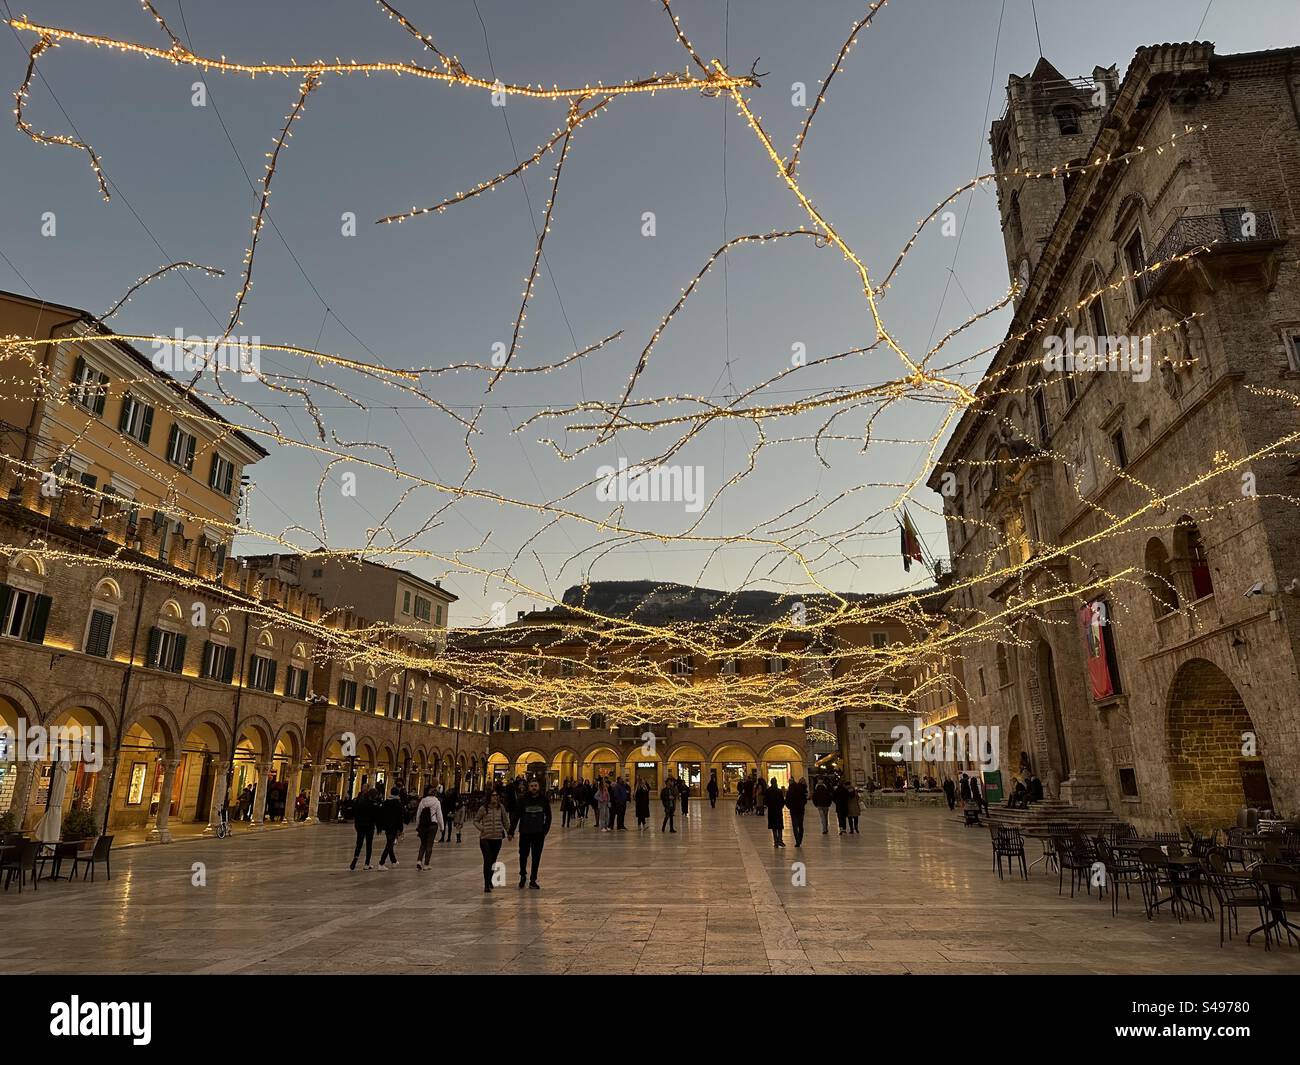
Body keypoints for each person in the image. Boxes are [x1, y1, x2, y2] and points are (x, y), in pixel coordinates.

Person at [512, 777, 551, 889]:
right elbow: (516, 815)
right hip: (525, 832)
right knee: (523, 855)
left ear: (538, 787)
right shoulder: (522, 800)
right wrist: (511, 831)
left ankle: (533, 879)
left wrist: (545, 830)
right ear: (528, 787)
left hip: (538, 833)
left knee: (536, 857)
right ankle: (523, 875)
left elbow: (548, 816)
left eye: (535, 786)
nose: (534, 788)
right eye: (532, 786)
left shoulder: (543, 800)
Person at [474, 788, 510, 893]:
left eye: (496, 795)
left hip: (497, 838)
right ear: (489, 797)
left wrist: (509, 832)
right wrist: (482, 828)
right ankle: (486, 884)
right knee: (487, 860)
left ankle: (490, 880)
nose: (495, 797)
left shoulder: (501, 808)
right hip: (485, 838)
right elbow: (476, 820)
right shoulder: (483, 808)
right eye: (493, 795)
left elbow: (505, 821)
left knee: (493, 860)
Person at [414, 785, 444, 870]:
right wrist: (442, 827)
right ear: (435, 794)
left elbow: (418, 814)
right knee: (429, 845)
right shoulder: (437, 802)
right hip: (432, 825)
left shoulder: (423, 801)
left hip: (423, 825)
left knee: (423, 844)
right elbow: (439, 815)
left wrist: (417, 826)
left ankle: (419, 861)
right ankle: (426, 864)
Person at [350, 786, 379, 870]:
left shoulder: (361, 802)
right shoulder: (373, 804)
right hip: (369, 826)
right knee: (369, 844)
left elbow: (356, 813)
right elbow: (375, 816)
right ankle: (367, 863)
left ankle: (355, 858)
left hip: (360, 825)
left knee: (359, 843)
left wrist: (356, 824)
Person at [377, 785, 405, 867]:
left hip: (387, 827)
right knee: (389, 845)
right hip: (394, 827)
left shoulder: (386, 802)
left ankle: (394, 861)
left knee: (390, 843)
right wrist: (401, 829)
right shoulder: (398, 804)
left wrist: (381, 826)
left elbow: (381, 815)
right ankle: (381, 863)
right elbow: (400, 817)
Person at [786, 775, 807, 847]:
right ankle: (800, 840)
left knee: (795, 826)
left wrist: (789, 806)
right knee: (800, 825)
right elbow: (804, 799)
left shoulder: (790, 789)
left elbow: (787, 800)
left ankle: (797, 841)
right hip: (800, 809)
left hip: (793, 810)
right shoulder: (800, 788)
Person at [766, 777, 786, 848]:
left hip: (771, 811)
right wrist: (780, 806)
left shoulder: (768, 791)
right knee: (779, 826)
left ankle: (776, 842)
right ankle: (780, 840)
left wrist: (769, 806)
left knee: (774, 827)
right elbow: (782, 801)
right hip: (778, 811)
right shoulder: (779, 791)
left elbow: (765, 801)